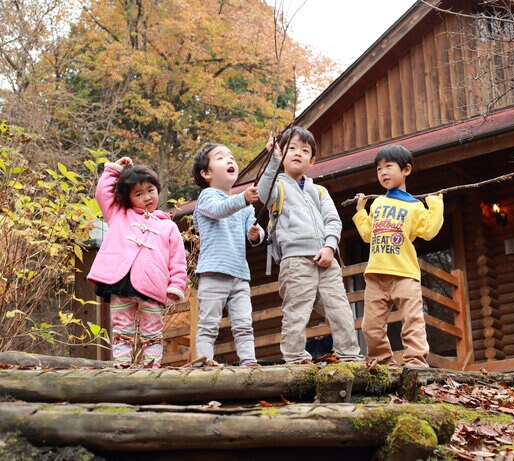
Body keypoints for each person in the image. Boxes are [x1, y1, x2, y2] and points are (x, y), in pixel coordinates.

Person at [259, 127, 362, 364]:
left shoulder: (320, 191)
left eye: (304, 150)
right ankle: (295, 358)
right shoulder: (278, 186)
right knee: (296, 311)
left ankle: (349, 355)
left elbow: (333, 221)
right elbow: (264, 193)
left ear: (312, 160)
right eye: (291, 148)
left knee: (340, 308)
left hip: (326, 260)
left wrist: (329, 247)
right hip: (295, 261)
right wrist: (271, 162)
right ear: (281, 154)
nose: (297, 153)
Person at [87, 157, 187, 369]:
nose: (147, 197)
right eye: (138, 194)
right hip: (120, 281)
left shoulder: (168, 227)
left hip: (152, 286)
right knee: (121, 326)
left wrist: (176, 286)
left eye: (150, 190)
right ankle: (122, 365)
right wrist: (115, 170)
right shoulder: (120, 215)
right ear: (129, 198)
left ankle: (152, 366)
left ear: (157, 190)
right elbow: (102, 193)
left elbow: (178, 260)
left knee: (153, 329)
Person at [352, 145, 444, 367]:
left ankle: (415, 362)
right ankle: (383, 363)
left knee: (412, 320)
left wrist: (435, 204)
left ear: (406, 170)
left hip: (404, 273)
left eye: (388, 166)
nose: (383, 172)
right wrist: (360, 212)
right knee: (370, 326)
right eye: (379, 168)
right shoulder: (378, 203)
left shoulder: (414, 206)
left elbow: (430, 230)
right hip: (376, 275)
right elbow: (368, 235)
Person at [191, 143, 263, 366]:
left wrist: (256, 233)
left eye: (231, 157)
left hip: (240, 273)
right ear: (206, 173)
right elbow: (219, 211)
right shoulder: (207, 196)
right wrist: (242, 199)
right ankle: (204, 361)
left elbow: (255, 230)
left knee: (243, 323)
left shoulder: (245, 205)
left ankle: (249, 361)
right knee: (209, 323)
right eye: (221, 158)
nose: (230, 160)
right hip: (213, 271)